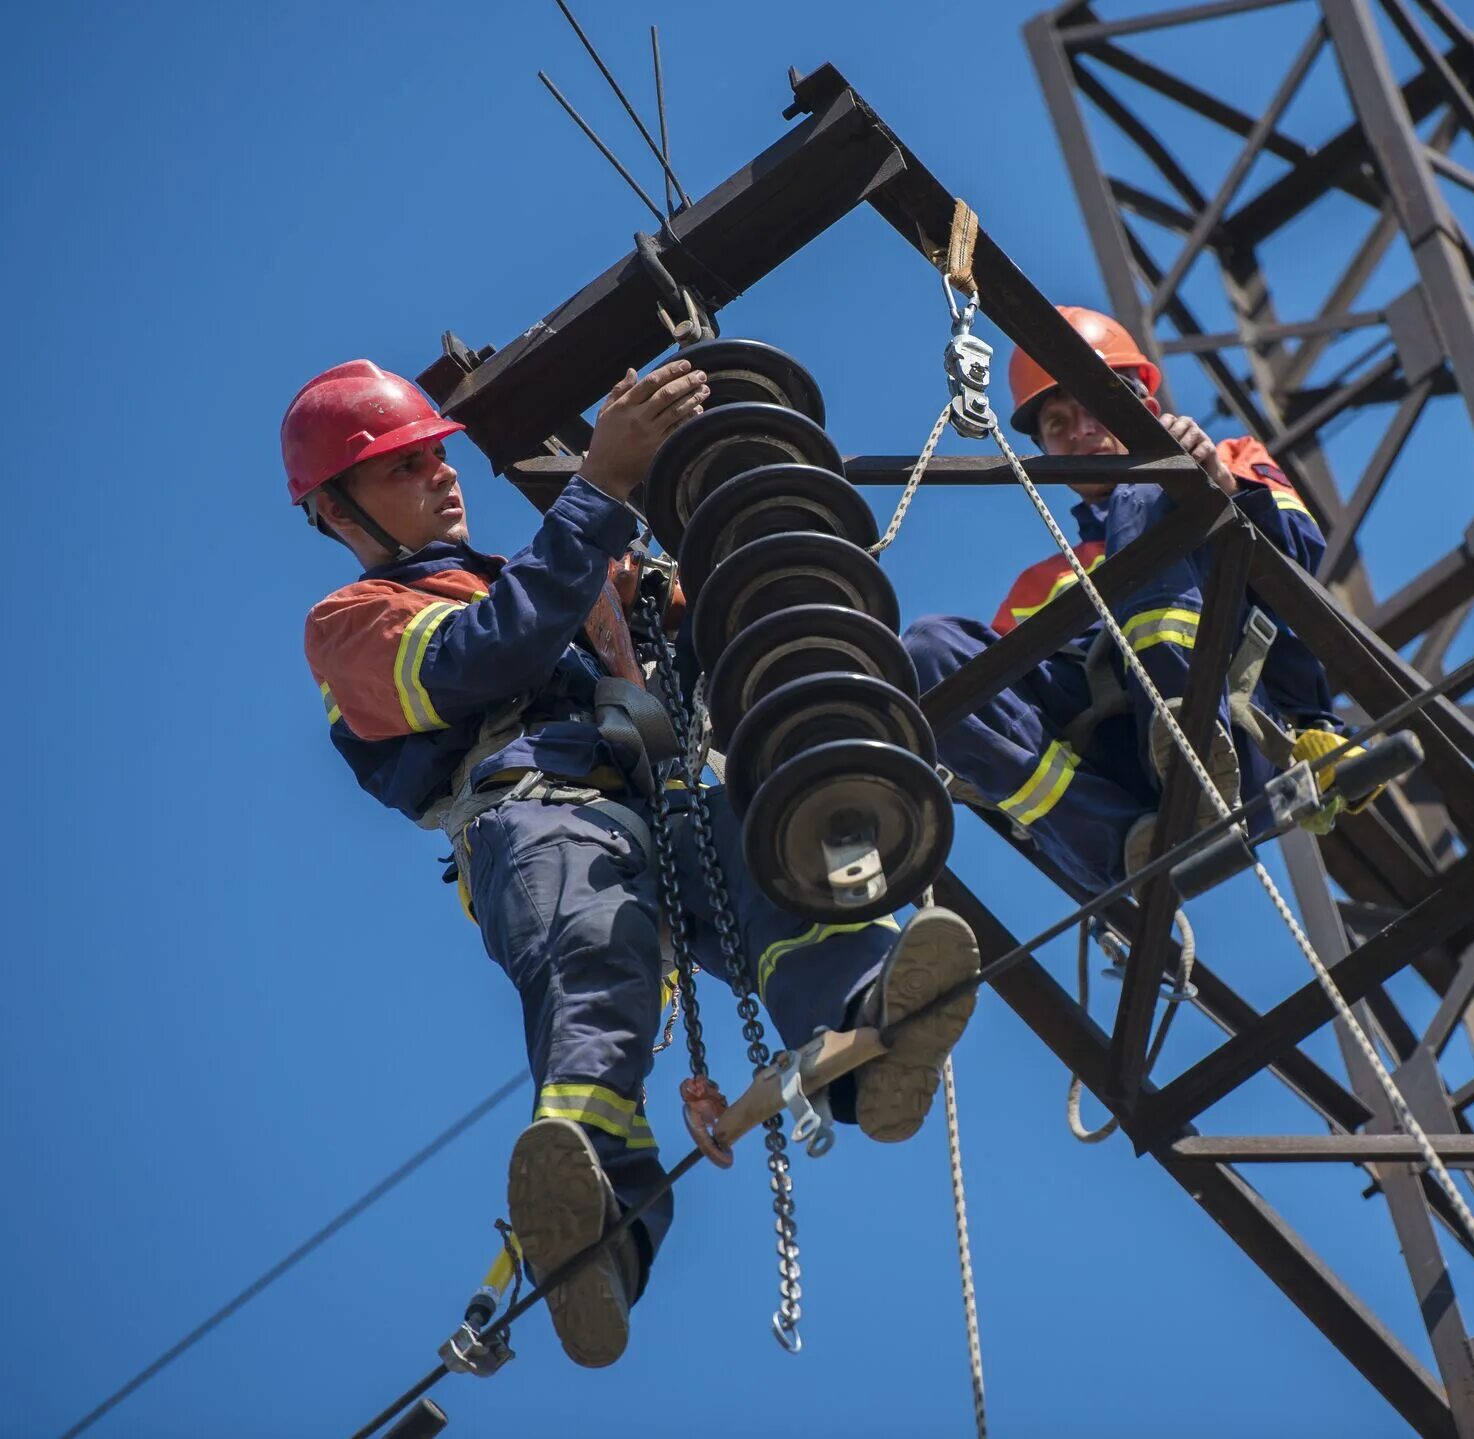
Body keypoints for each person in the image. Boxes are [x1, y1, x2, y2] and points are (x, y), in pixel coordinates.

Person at [288, 358, 979, 1369]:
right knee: (597, 952)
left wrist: (739, 537)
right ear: (341, 513)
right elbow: (485, 655)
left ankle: (868, 1029)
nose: (441, 474)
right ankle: (600, 1224)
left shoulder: (573, 586)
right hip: (545, 819)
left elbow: (701, 652)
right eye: (403, 467)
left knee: (767, 840)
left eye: (438, 454)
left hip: (663, 811)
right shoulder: (355, 622)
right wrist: (600, 489)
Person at [902, 306, 1362, 898]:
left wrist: (1214, 487)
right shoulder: (1036, 589)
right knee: (928, 652)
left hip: (1233, 727)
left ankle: (1186, 735)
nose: (1080, 431)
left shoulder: (1229, 459)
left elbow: (1299, 563)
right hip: (1124, 798)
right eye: (1057, 423)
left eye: (1093, 405)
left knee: (1147, 486)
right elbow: (1011, 720)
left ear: (1144, 404)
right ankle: (1118, 844)